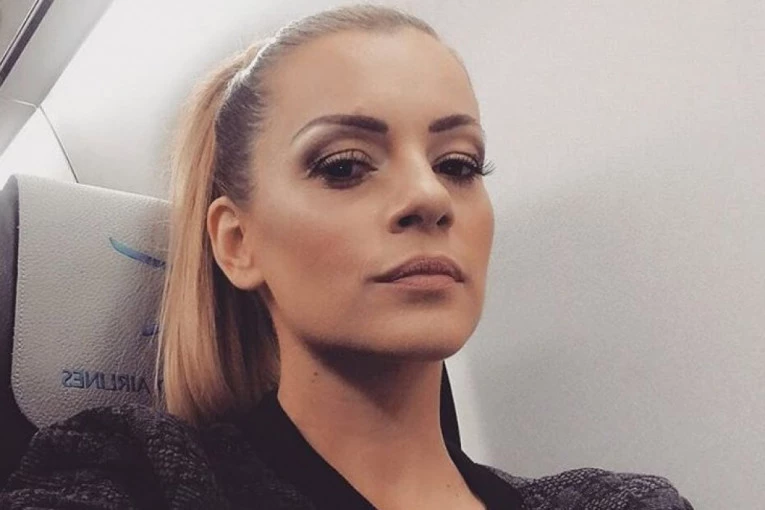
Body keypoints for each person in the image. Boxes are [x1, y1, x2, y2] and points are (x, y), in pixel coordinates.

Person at [0, 5, 693, 509]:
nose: (429, 197)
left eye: (457, 163)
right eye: (344, 166)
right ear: (237, 243)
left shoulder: (621, 504)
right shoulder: (139, 476)